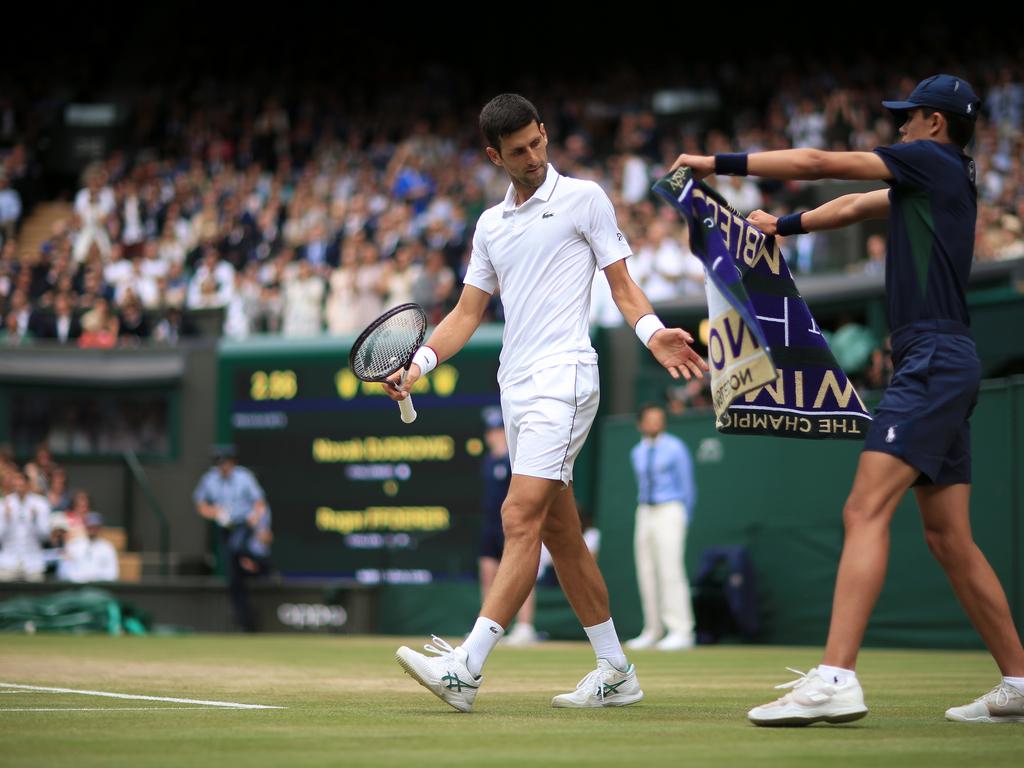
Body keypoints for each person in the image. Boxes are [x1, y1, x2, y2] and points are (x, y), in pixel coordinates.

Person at [672, 74, 1024, 725]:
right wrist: (783, 224)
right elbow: (853, 205)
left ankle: (836, 677)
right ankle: (1021, 681)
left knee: (863, 508)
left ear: (936, 124)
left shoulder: (931, 160)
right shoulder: (938, 180)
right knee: (949, 538)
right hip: (945, 361)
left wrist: (714, 162)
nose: (899, 128)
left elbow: (815, 163)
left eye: (908, 118)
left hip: (933, 362)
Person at [391, 93, 707, 712]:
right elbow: (465, 313)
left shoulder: (585, 198)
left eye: (539, 142)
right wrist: (420, 363)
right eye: (519, 151)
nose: (534, 157)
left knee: (519, 516)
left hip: (565, 379)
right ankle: (616, 670)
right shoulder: (490, 225)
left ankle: (466, 668)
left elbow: (622, 286)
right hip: (519, 386)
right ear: (495, 156)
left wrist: (653, 333)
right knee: (561, 534)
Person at [626, 403, 697, 652]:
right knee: (646, 570)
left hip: (670, 508)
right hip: (645, 509)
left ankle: (681, 630)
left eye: (659, 419)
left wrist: (683, 517)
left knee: (671, 569)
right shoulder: (637, 452)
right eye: (650, 419)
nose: (655, 423)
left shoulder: (676, 447)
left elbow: (687, 485)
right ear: (641, 424)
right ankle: (652, 629)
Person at [193, 445, 272, 632]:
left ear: (233, 462)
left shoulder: (245, 478)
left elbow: (259, 503)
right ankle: (244, 620)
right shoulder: (209, 479)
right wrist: (215, 513)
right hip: (225, 528)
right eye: (218, 463)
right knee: (234, 578)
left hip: (244, 524)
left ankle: (262, 566)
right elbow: (201, 504)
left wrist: (257, 521)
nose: (221, 467)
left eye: (224, 462)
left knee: (237, 549)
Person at [477, 407, 539, 646]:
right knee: (487, 573)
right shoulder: (488, 461)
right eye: (491, 432)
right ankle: (486, 628)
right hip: (490, 524)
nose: (495, 436)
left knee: (520, 572)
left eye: (499, 431)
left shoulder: (514, 459)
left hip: (512, 524)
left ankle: (525, 626)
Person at [0, 470, 52, 582]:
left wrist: (35, 520)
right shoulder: (4, 504)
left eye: (22, 485)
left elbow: (45, 536)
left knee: (36, 585)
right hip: (8, 561)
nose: (19, 488)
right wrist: (6, 519)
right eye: (16, 485)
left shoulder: (41, 503)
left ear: (28, 485)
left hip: (33, 562)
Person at [58, 512, 119, 583]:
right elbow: (63, 571)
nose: (93, 529)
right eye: (90, 526)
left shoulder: (108, 547)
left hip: (99, 589)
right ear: (85, 526)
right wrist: (81, 579)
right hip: (76, 588)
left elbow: (112, 574)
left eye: (95, 526)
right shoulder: (73, 545)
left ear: (100, 528)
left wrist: (95, 579)